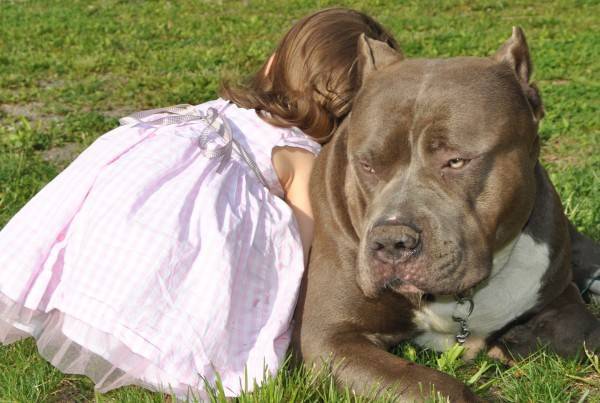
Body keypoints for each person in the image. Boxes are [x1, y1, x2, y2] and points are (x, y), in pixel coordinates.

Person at [0, 7, 398, 400]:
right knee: (203, 257)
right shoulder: (301, 157)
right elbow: (303, 251)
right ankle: (172, 349)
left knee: (146, 242)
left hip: (128, 198)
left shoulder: (221, 110)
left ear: (273, 64)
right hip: (176, 231)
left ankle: (75, 290)